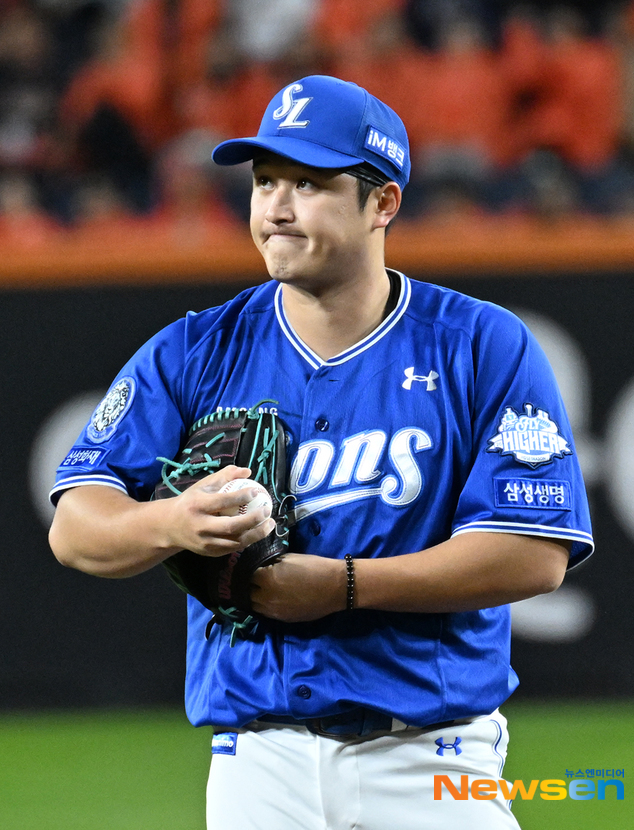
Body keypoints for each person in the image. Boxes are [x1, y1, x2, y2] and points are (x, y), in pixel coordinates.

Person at [48, 75, 593, 830]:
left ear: (383, 203)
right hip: (255, 763)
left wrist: (342, 586)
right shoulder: (194, 349)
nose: (276, 207)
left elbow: (533, 555)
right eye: (264, 181)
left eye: (308, 183)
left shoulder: (479, 343)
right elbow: (76, 526)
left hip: (434, 757)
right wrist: (173, 522)